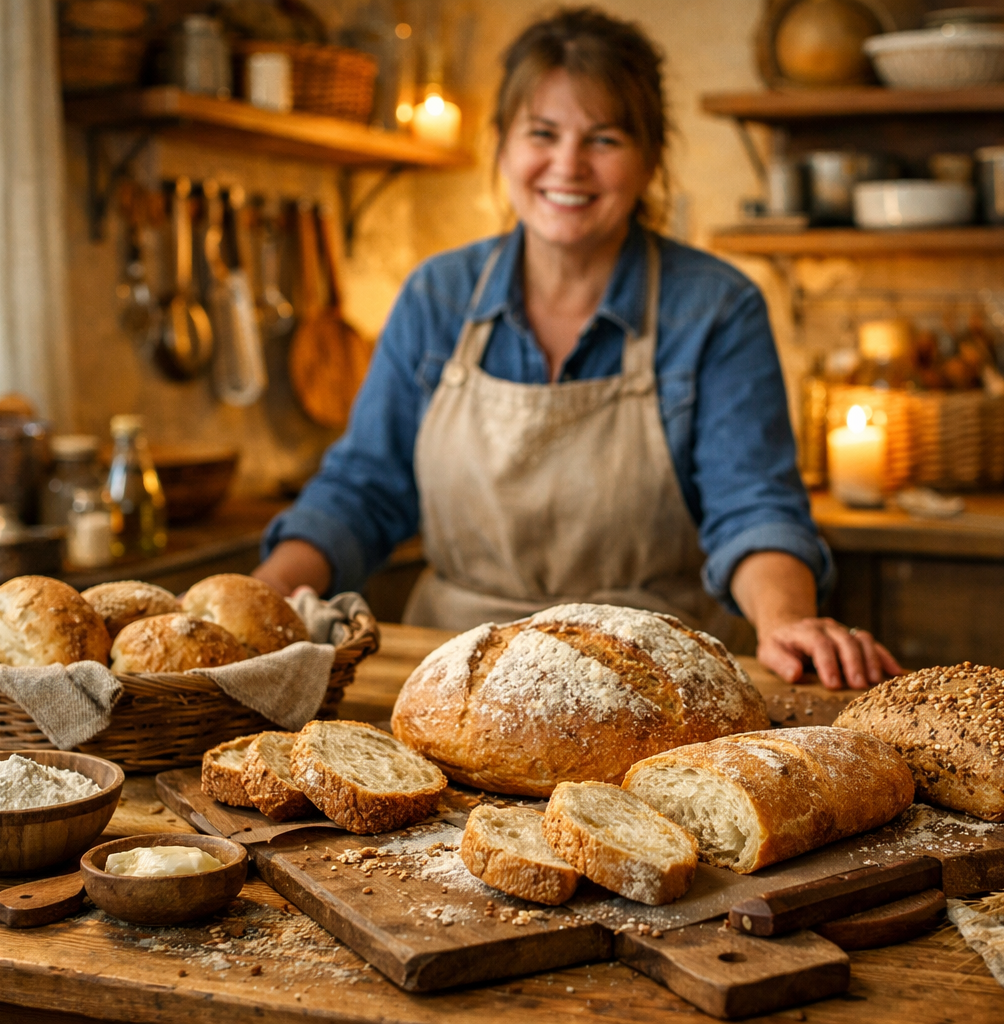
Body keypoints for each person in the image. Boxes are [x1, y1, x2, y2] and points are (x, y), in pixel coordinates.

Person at [254, 7, 899, 689]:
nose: (568, 165)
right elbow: (361, 492)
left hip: (657, 676)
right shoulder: (436, 296)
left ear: (650, 158)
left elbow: (753, 507)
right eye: (542, 133)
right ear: (502, 146)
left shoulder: (715, 306)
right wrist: (258, 599)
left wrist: (785, 620)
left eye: (604, 139)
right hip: (455, 672)